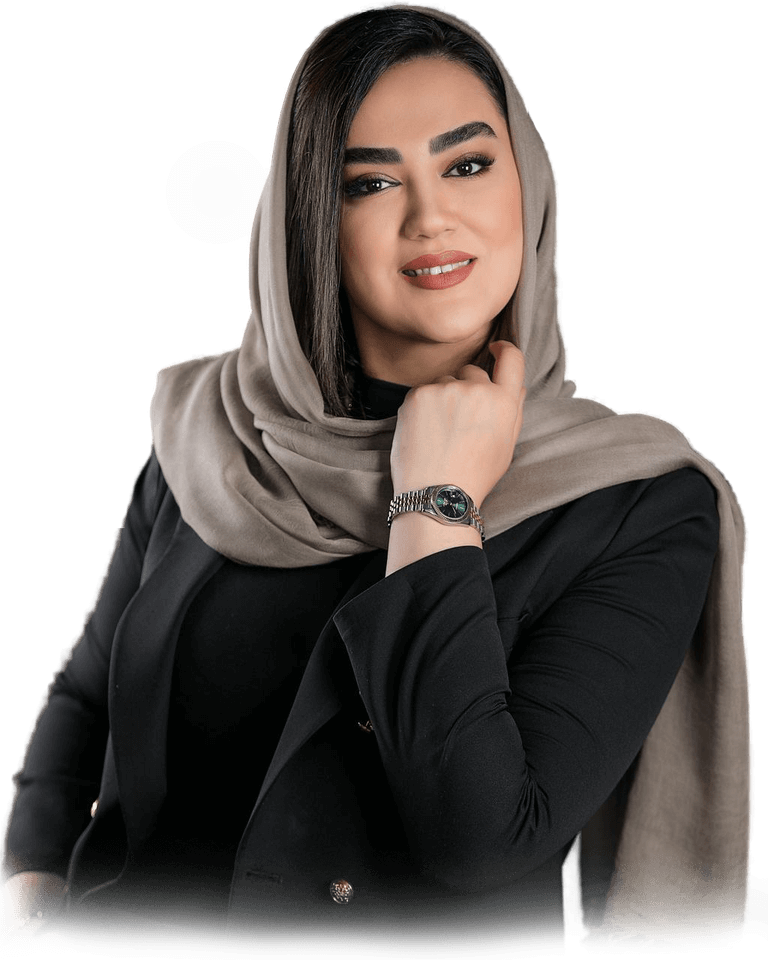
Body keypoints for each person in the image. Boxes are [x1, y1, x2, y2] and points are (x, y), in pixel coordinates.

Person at [1, 2, 752, 955]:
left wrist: (436, 505)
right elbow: (88, 687)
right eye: (369, 182)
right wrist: (31, 874)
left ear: (530, 186)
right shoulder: (212, 429)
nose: (431, 216)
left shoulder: (638, 499)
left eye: (467, 165)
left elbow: (483, 840)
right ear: (309, 221)